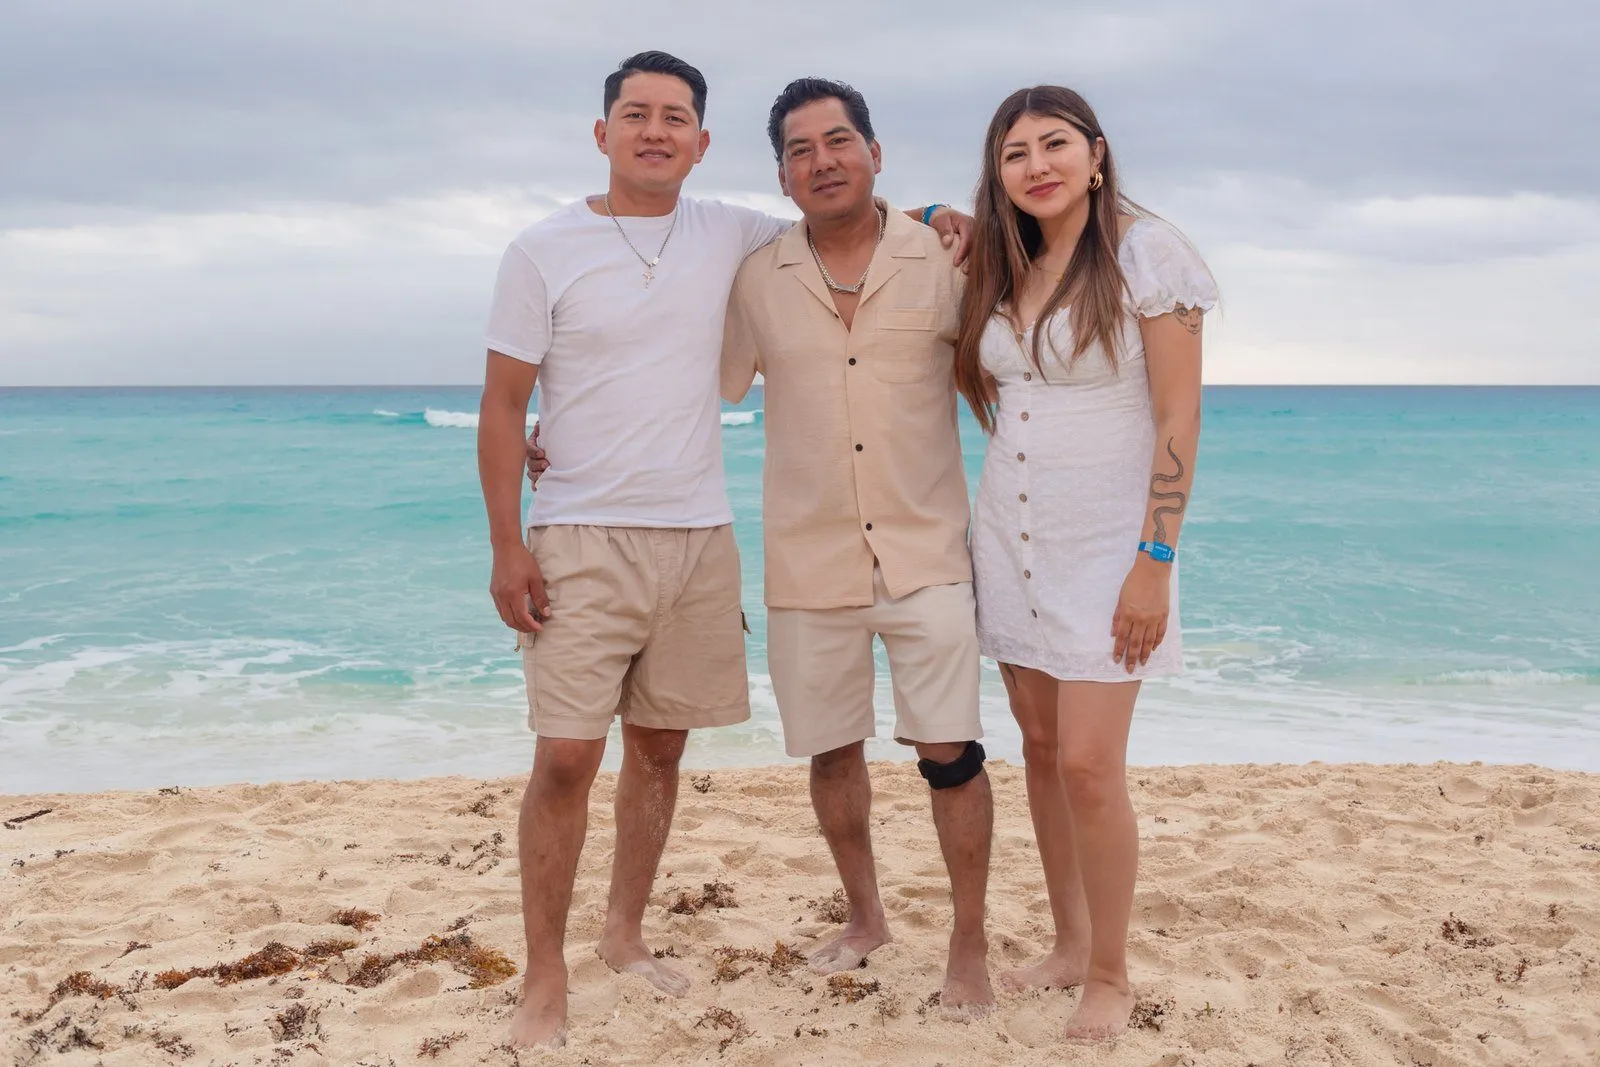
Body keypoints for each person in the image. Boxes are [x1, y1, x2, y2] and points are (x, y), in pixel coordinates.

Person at [479, 51, 970, 1049]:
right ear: (603, 132)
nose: (654, 131)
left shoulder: (733, 234)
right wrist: (505, 544)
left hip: (701, 536)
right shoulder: (541, 249)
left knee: (660, 748)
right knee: (566, 756)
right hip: (578, 530)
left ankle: (623, 933)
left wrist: (932, 211)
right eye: (636, 114)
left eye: (675, 118)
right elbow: (501, 403)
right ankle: (543, 976)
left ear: (702, 143)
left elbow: (843, 215)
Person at [719, 78, 994, 1018]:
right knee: (832, 752)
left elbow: (1019, 368)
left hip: (927, 551)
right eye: (799, 150)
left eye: (838, 140)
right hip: (809, 558)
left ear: (875, 153)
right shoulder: (756, 279)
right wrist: (555, 432)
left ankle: (968, 941)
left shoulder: (947, 257)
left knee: (951, 753)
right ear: (782, 176)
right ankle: (866, 915)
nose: (822, 160)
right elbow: (687, 385)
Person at [951, 85, 1216, 1042]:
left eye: (1055, 144)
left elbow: (1179, 415)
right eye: (1014, 152)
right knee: (1040, 746)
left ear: (1096, 155)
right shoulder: (1003, 260)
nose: (1037, 166)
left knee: (1092, 765)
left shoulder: (1149, 253)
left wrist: (1155, 559)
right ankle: (1068, 942)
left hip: (1110, 545)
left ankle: (1109, 970)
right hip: (1010, 536)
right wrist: (941, 217)